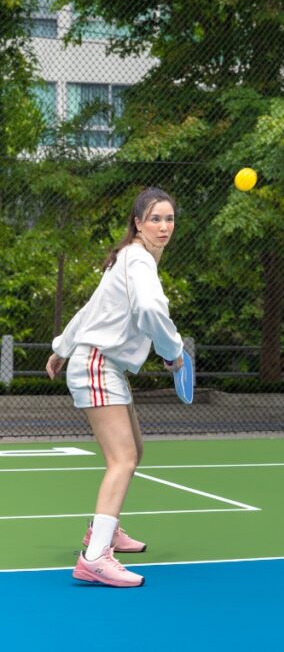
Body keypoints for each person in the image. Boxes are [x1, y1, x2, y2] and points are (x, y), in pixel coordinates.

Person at [46, 187, 185, 587]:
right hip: (97, 364)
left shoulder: (129, 259)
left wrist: (62, 347)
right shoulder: (138, 260)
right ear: (138, 223)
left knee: (134, 451)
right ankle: (94, 558)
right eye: (155, 219)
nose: (164, 226)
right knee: (122, 459)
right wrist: (172, 351)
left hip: (101, 364)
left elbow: (92, 308)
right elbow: (149, 310)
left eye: (169, 219)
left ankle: (103, 530)